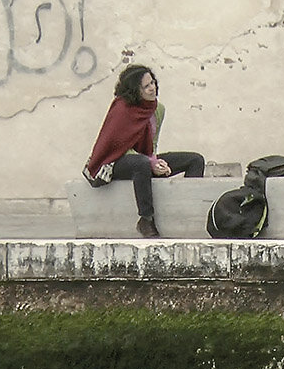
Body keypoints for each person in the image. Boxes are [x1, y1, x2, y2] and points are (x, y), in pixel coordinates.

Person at [83, 64, 206, 238]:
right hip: (114, 162)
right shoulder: (122, 109)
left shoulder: (157, 109)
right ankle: (146, 220)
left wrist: (156, 162)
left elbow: (151, 145)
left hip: (143, 161)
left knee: (195, 160)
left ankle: (189, 211)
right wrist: (150, 163)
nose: (152, 87)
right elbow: (118, 148)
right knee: (141, 164)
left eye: (153, 82)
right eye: (146, 86)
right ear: (135, 90)